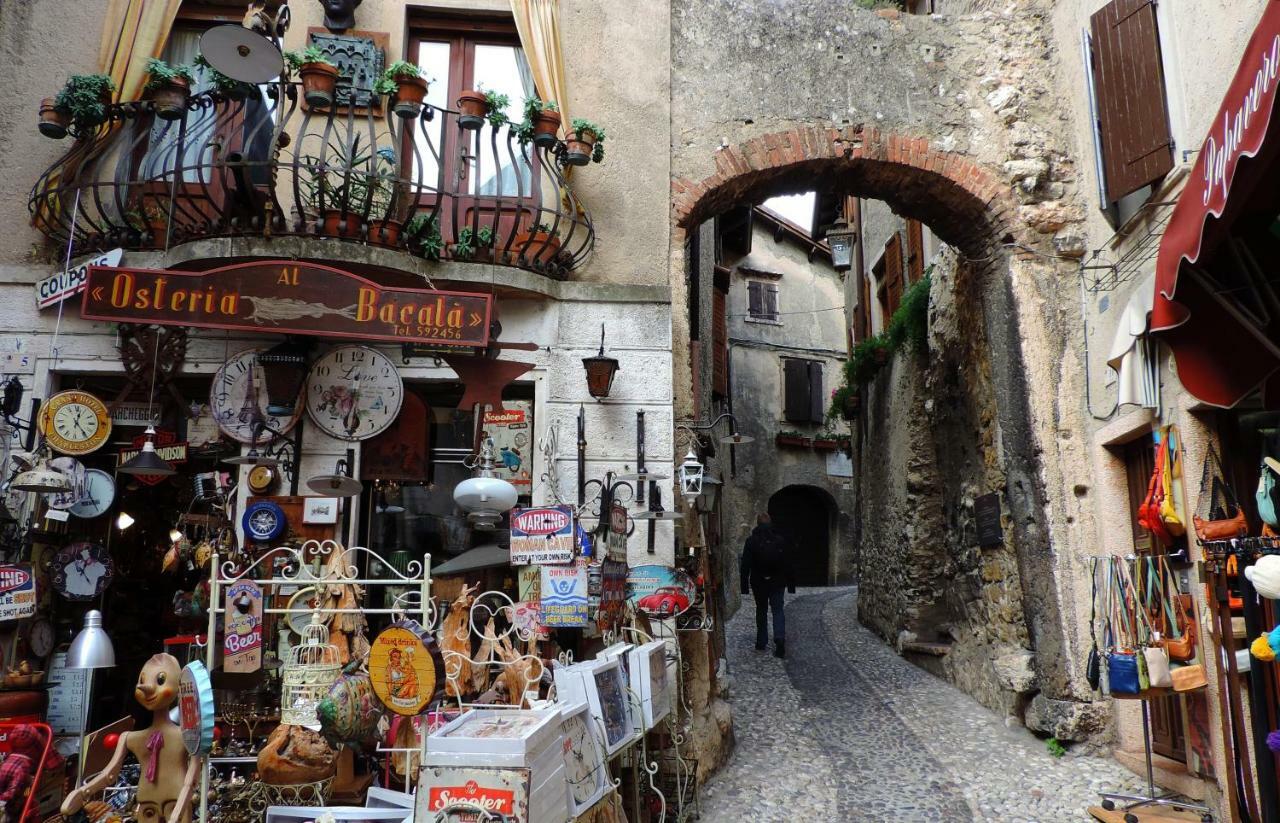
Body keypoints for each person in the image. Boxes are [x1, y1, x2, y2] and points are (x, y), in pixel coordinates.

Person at [740, 513, 795, 658]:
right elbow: (788, 563)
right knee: (778, 610)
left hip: (759, 581)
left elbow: (745, 564)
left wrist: (744, 586)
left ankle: (761, 641)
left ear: (757, 524)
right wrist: (791, 585)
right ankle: (780, 639)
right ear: (770, 524)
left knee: (761, 610)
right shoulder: (780, 541)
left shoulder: (751, 541)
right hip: (777, 581)